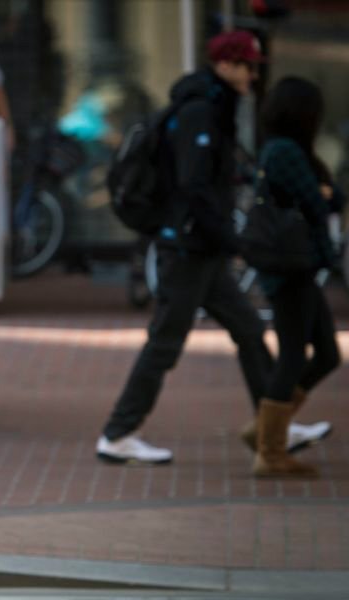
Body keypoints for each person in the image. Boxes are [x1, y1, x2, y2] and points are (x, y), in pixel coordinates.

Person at [95, 30, 329, 465]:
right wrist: (232, 239)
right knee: (165, 342)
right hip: (187, 249)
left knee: (249, 331)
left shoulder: (213, 107)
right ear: (225, 65)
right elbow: (194, 185)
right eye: (247, 66)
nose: (253, 75)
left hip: (201, 250)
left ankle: (271, 426)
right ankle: (119, 432)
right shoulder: (202, 110)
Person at [250, 77, 344, 477]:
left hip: (298, 265)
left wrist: (326, 195)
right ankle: (269, 452)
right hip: (290, 266)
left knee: (327, 353)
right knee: (293, 354)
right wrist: (324, 195)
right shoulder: (285, 151)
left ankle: (263, 431)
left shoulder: (282, 148)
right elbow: (320, 201)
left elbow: (327, 197)